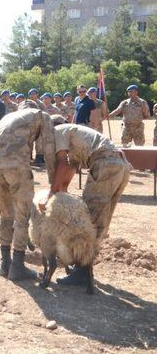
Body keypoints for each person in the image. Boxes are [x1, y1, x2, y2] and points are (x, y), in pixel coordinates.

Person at [38, 123, 131, 287]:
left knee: (88, 220)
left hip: (105, 163)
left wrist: (52, 194)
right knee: (101, 220)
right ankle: (85, 268)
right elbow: (72, 165)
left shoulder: (57, 131)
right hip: (120, 165)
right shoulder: (75, 135)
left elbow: (62, 162)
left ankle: (82, 272)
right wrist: (63, 190)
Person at [0, 108, 56, 280]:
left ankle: (5, 263)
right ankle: (17, 266)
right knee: (22, 214)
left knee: (6, 212)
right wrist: (54, 183)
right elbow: (49, 149)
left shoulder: (9, 116)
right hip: (17, 166)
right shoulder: (44, 117)